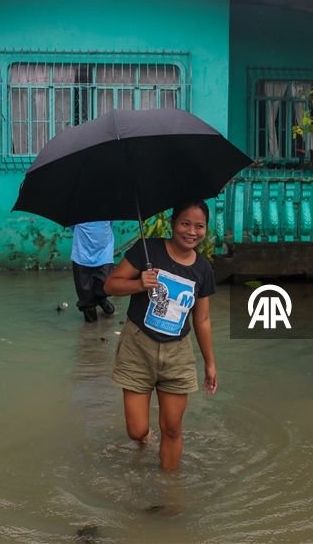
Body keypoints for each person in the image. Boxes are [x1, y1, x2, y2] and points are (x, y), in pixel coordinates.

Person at [104, 200, 217, 470]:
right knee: (136, 430)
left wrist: (210, 363)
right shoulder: (149, 250)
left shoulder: (203, 269)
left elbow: (202, 319)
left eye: (199, 226)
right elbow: (110, 285)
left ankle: (168, 490)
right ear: (173, 224)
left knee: (172, 428)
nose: (192, 231)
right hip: (137, 347)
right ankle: (144, 440)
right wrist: (138, 283)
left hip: (178, 353)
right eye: (185, 224)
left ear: (205, 229)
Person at [70, 221, 116, 323]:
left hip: (104, 252)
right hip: (82, 254)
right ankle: (91, 333)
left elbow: (110, 223)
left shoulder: (107, 207)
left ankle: (101, 299)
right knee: (85, 292)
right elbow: (72, 226)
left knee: (106, 283)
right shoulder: (77, 210)